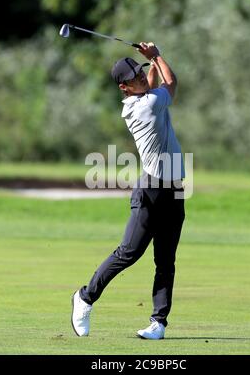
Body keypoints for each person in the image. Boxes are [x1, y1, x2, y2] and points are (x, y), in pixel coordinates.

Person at [71, 42, 185, 340]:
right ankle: (84, 297)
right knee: (129, 252)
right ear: (124, 88)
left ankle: (158, 322)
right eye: (136, 77)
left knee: (165, 260)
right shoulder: (145, 105)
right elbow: (171, 85)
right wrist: (156, 56)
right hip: (150, 191)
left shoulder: (145, 97)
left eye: (141, 74)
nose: (142, 78)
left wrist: (149, 63)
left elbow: (153, 83)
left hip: (175, 191)